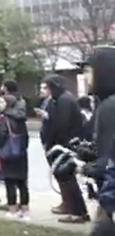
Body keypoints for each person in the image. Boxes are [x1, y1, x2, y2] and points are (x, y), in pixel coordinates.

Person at [41, 74, 89, 223]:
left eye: (49, 86)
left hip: (64, 145)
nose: (47, 90)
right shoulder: (60, 99)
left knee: (68, 179)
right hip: (63, 144)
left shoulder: (64, 101)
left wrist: (54, 144)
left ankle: (78, 212)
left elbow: (61, 125)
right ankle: (71, 206)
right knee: (64, 178)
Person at [82, 47, 115, 212]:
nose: (85, 77)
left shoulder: (110, 106)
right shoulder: (104, 104)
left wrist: (83, 168)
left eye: (88, 71)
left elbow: (109, 161)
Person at [0, 94, 30, 220]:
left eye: (2, 102)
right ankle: (25, 210)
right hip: (21, 153)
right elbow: (26, 137)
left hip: (8, 154)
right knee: (22, 183)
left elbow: (0, 136)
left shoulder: (5, 118)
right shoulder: (21, 119)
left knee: (10, 182)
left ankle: (12, 209)